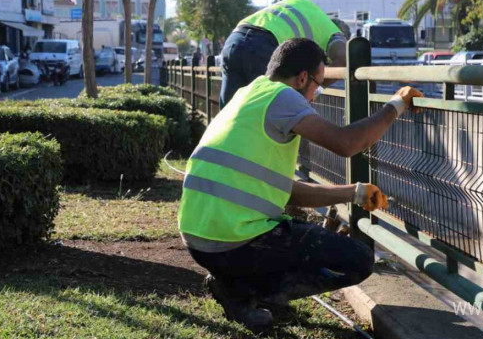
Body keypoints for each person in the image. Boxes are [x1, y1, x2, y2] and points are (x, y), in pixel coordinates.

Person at [179, 38, 424, 331]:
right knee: (358, 260)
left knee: (299, 234)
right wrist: (396, 104)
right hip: (232, 241)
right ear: (303, 78)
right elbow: (347, 143)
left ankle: (233, 283)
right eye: (317, 87)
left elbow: (282, 190)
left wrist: (353, 192)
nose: (315, 98)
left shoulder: (250, 93)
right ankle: (242, 293)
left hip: (198, 238)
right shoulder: (285, 97)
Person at [219, 0, 348, 107]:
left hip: (235, 39)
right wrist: (316, 89)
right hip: (263, 44)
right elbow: (342, 60)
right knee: (275, 115)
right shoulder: (334, 32)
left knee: (230, 112)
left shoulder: (307, 8)